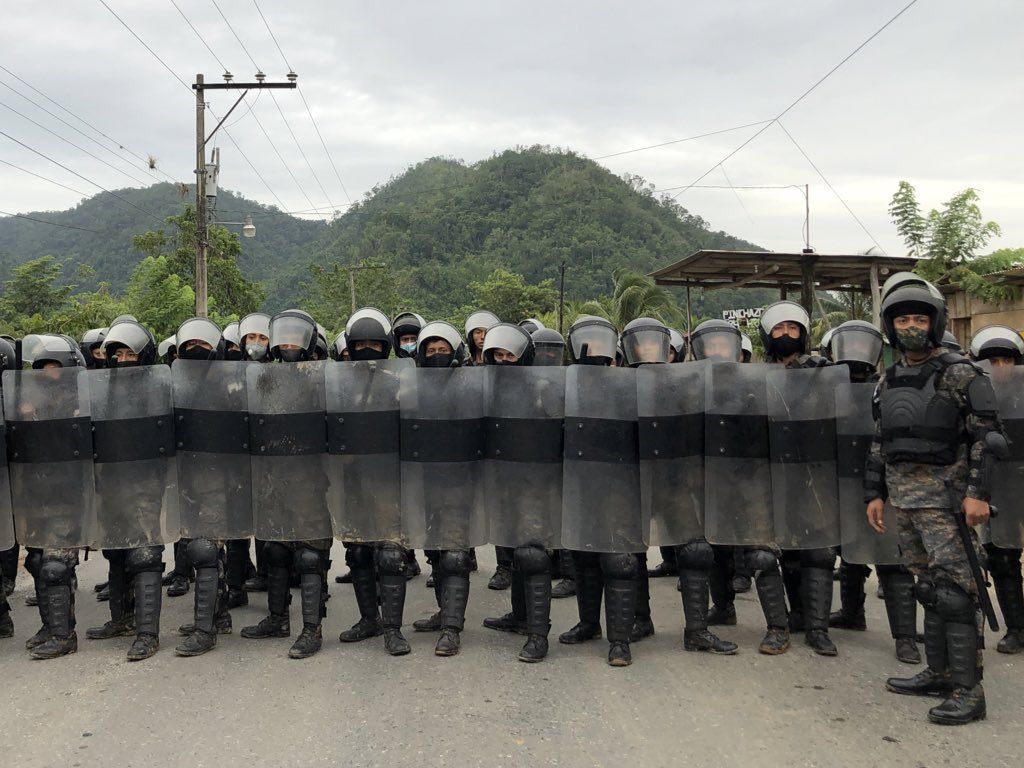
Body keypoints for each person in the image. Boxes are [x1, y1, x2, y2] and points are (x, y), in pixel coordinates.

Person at [866, 279, 1005, 725]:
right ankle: (940, 671)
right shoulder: (889, 377)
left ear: (935, 322)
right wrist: (875, 493)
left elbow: (989, 437)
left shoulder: (961, 372)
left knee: (958, 593)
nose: (911, 326)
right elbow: (880, 440)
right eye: (902, 319)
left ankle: (969, 690)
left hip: (948, 504)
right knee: (927, 588)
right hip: (904, 501)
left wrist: (977, 494)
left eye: (919, 318)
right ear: (891, 325)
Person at [623, 317, 737, 654]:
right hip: (633, 480)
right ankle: (639, 619)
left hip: (676, 481)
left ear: (671, 351)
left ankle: (697, 629)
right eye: (639, 344)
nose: (648, 351)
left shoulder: (691, 384)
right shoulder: (617, 385)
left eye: (655, 345)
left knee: (696, 550)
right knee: (629, 554)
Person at [240, 309, 333, 659]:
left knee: (309, 556)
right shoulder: (263, 379)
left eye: (297, 336)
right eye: (284, 336)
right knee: (275, 550)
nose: (289, 343)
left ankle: (312, 629)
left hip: (310, 480)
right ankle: (277, 618)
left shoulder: (324, 378)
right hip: (273, 478)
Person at [827, 321, 921, 664]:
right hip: (841, 477)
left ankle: (906, 636)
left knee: (891, 557)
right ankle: (852, 613)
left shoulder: (891, 384)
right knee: (849, 549)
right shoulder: (824, 385)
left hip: (882, 478)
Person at [85, 319, 169, 661]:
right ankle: (120, 620)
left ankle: (148, 633)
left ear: (144, 355)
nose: (122, 360)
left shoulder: (160, 389)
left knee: (145, 554)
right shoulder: (99, 391)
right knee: (116, 551)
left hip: (147, 483)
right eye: (116, 354)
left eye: (129, 354)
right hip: (110, 483)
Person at [557, 315, 638, 666]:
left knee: (618, 560)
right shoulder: (563, 386)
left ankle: (620, 640)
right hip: (578, 483)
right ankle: (589, 624)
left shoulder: (630, 384)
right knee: (584, 556)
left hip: (620, 485)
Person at [757, 301, 837, 656]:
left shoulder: (822, 371)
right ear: (767, 334)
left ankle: (818, 627)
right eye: (779, 328)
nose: (786, 334)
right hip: (768, 476)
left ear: (803, 334)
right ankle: (779, 626)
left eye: (793, 328)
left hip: (812, 474)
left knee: (817, 551)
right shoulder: (755, 377)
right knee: (767, 555)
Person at [479, 323, 553, 662]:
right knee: (511, 548)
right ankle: (519, 616)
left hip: (534, 483)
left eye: (511, 355)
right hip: (501, 482)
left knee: (533, 555)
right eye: (498, 354)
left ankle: (538, 634)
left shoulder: (543, 389)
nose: (504, 360)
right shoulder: (483, 391)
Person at [9, 335, 85, 658]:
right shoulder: (30, 408)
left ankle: (64, 635)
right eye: (42, 369)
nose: (47, 375)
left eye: (54, 368)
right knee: (38, 561)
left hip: (67, 498)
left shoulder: (82, 406)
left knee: (56, 566)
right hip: (38, 497)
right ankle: (50, 625)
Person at [171, 317, 238, 657]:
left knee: (205, 550)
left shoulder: (231, 385)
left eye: (203, 345)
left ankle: (205, 630)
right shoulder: (173, 386)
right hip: (188, 481)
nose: (195, 351)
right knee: (207, 551)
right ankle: (220, 614)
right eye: (188, 346)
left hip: (219, 480)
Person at [409, 321, 475, 656]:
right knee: (434, 550)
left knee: (453, 556)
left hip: (458, 483)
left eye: (443, 349)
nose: (436, 355)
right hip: (425, 482)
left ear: (456, 353)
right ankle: (442, 612)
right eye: (430, 350)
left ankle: (452, 628)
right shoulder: (412, 388)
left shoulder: (469, 386)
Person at [967, 325, 1024, 655]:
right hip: (996, 482)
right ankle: (1016, 627)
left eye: (1005, 360)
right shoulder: (974, 397)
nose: (999, 368)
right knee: (1002, 557)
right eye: (991, 362)